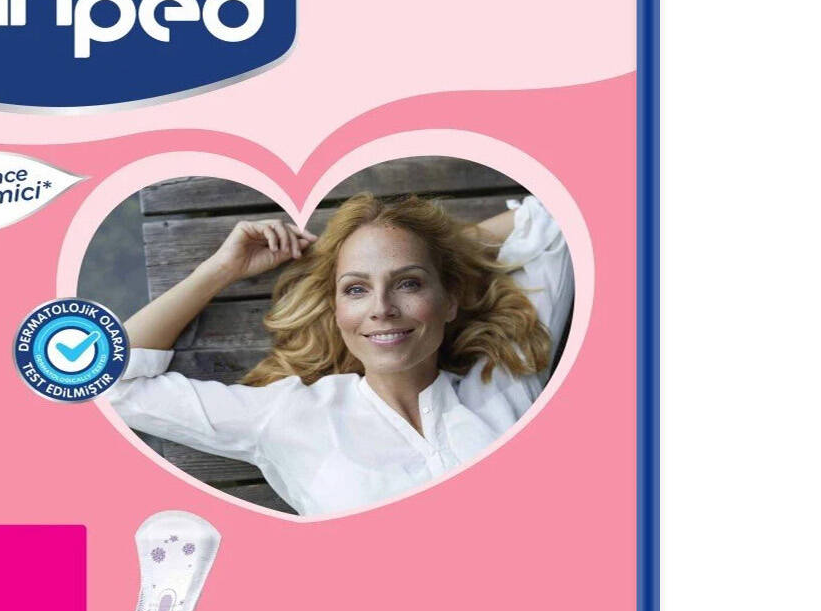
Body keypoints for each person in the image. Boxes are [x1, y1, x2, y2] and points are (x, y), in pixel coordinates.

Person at [108, 192, 573, 516]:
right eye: (356, 289)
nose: (382, 308)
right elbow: (108, 379)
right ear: (336, 310)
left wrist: (444, 251)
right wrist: (220, 270)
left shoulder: (509, 376)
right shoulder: (290, 417)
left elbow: (561, 213)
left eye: (408, 283)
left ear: (450, 300)